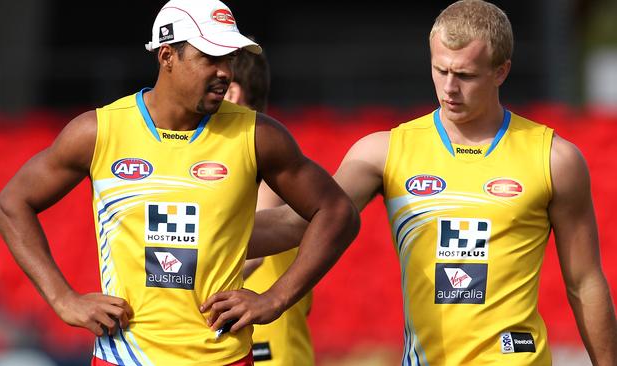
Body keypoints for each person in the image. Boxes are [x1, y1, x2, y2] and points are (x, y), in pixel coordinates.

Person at [204, 1, 617, 365]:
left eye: (466, 75)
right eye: (441, 70)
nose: (450, 88)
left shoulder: (554, 158)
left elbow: (584, 281)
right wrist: (191, 239)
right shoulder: (384, 151)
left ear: (501, 71)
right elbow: (299, 223)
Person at [0, 0, 359, 365]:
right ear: (167, 56)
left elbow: (338, 211)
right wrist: (62, 299)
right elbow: (12, 204)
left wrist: (275, 298)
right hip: (124, 357)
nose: (225, 72)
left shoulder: (259, 135)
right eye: (210, 58)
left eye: (229, 59)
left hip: (224, 358)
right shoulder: (97, 132)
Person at [223, 47, 315, 365]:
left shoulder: (262, 157)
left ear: (231, 92)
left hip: (268, 344)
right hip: (240, 333)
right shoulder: (228, 159)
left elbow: (254, 254)